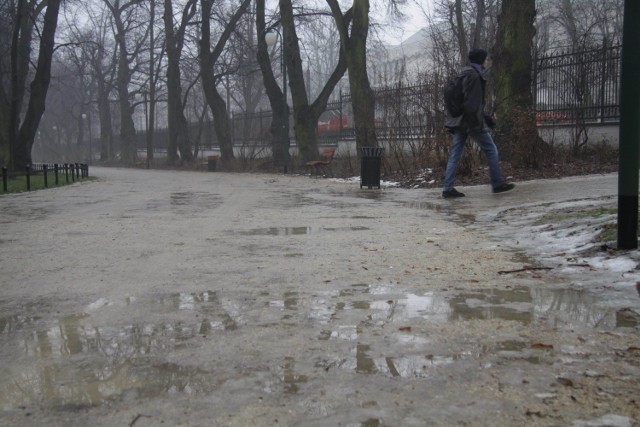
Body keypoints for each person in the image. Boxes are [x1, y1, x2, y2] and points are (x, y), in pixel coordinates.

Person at [442, 48, 515, 198]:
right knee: (491, 149)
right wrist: (478, 124)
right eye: (486, 59)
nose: (487, 61)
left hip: (460, 121)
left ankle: (447, 188)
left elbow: (471, 103)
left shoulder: (464, 73)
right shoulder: (474, 76)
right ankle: (497, 184)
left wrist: (485, 118)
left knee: (455, 154)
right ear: (482, 61)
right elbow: (472, 104)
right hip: (470, 122)